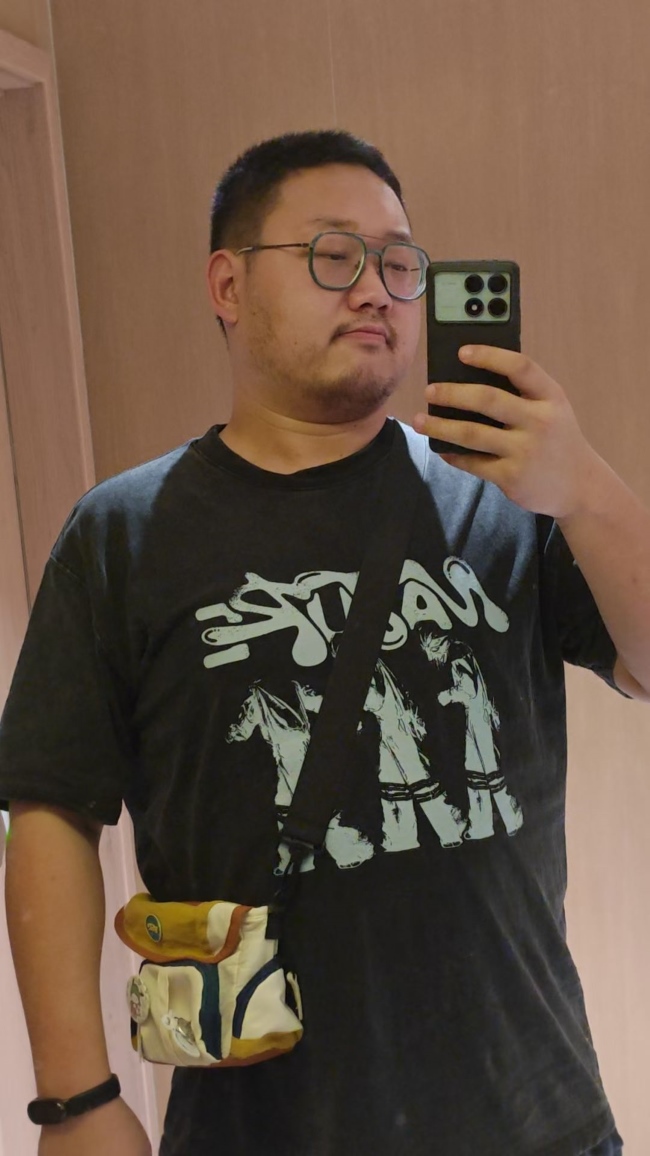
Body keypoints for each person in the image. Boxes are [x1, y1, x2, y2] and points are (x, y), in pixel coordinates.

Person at [1, 129, 647, 1156]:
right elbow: (49, 810)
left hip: (534, 1116)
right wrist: (75, 1102)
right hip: (262, 1125)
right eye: (333, 255)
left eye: (398, 262)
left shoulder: (505, 496)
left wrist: (587, 488)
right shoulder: (123, 532)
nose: (376, 290)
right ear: (227, 284)